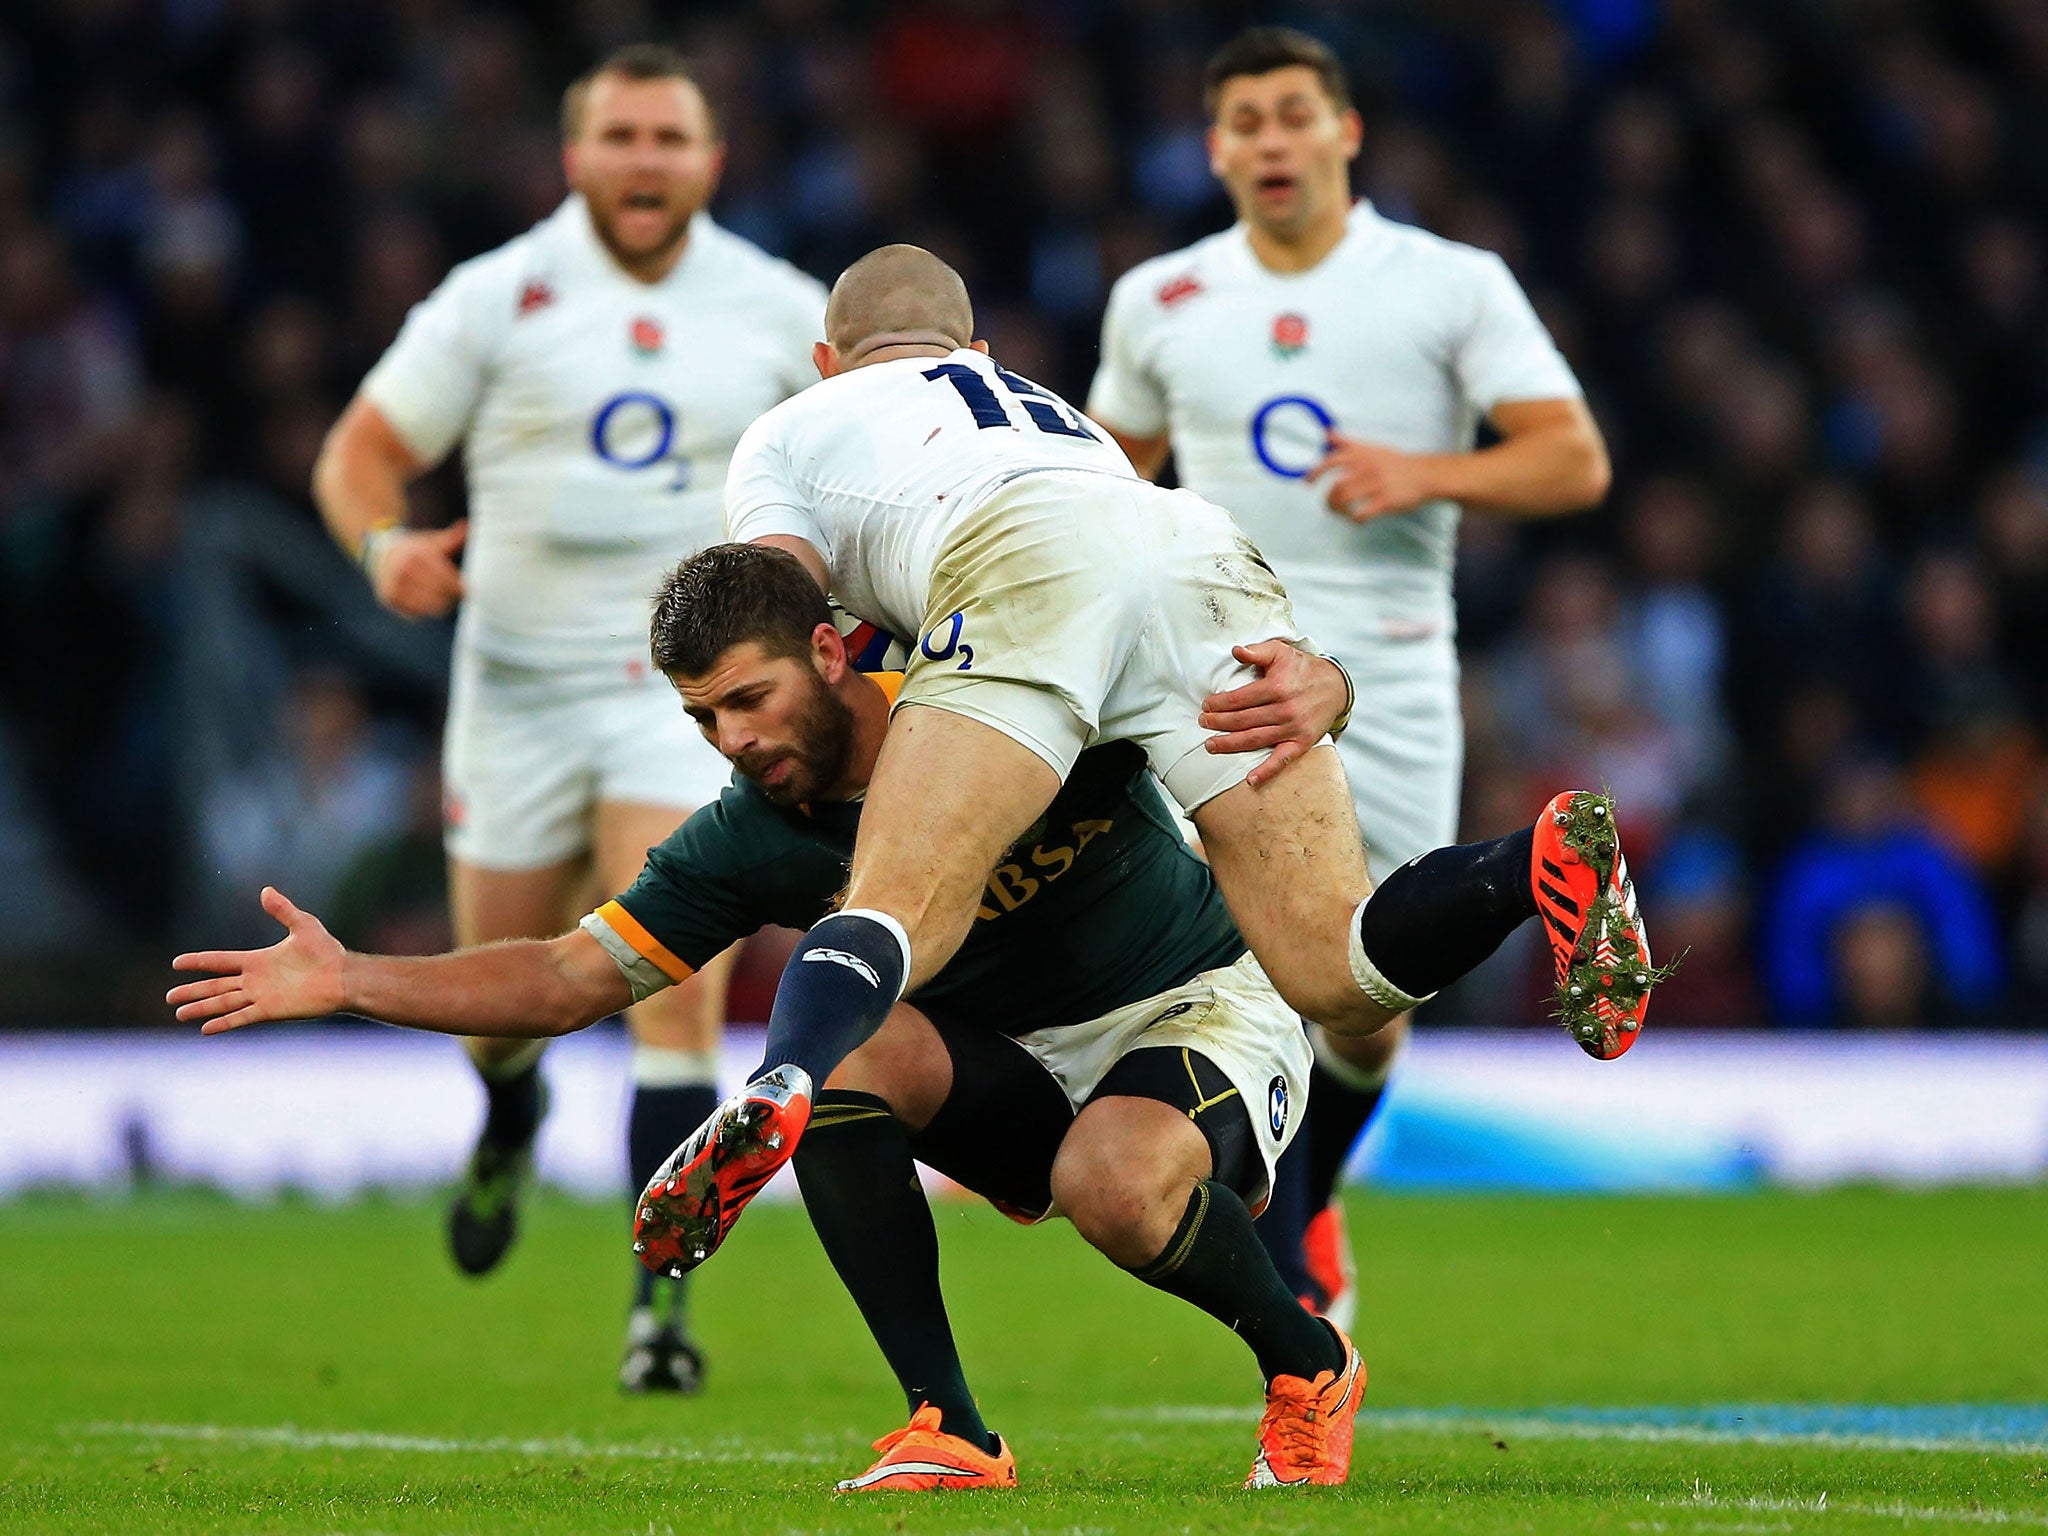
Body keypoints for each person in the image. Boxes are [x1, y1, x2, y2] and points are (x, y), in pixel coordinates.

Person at [170, 542, 1645, 1490]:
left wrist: (1320, 671)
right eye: (700, 721)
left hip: (1196, 1006)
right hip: (1003, 1064)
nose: (734, 743)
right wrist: (353, 979)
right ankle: (950, 1426)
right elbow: (568, 973)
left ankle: (1306, 1363)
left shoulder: (1012, 687)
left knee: (1114, 1189)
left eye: (745, 700)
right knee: (834, 1054)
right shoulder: (748, 830)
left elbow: (1186, 621)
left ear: (827, 652)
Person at [643, 243, 1652, 1314]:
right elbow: (1113, 587)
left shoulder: (791, 431)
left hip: (1021, 562)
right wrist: (1331, 688)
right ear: (975, 352)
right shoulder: (1041, 409)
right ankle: (1529, 856)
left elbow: (786, 631)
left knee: (892, 906)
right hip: (1187, 538)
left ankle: (784, 1079)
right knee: (1333, 973)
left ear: (823, 358)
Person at [309, 42, 826, 1391]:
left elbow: (850, 466)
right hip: (518, 696)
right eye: (622, 136)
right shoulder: (498, 296)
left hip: (681, 698)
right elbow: (359, 455)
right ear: (574, 157)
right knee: (508, 1009)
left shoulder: (776, 305)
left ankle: (660, 1317)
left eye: (670, 136)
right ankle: (507, 1110)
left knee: (669, 994)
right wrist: (384, 552)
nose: (645, 159)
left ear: (712, 160)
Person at [1086, 27, 1615, 1325]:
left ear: (1344, 132)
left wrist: (1426, 472)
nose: (1271, 140)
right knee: (1258, 969)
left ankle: (1310, 1198)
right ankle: (1290, 1245)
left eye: (1292, 115)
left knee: (1372, 1006)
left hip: (1388, 674)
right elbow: (1103, 479)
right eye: (1246, 122)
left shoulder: (1447, 283)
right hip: (1224, 679)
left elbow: (1574, 461)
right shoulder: (1161, 299)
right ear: (1215, 150)